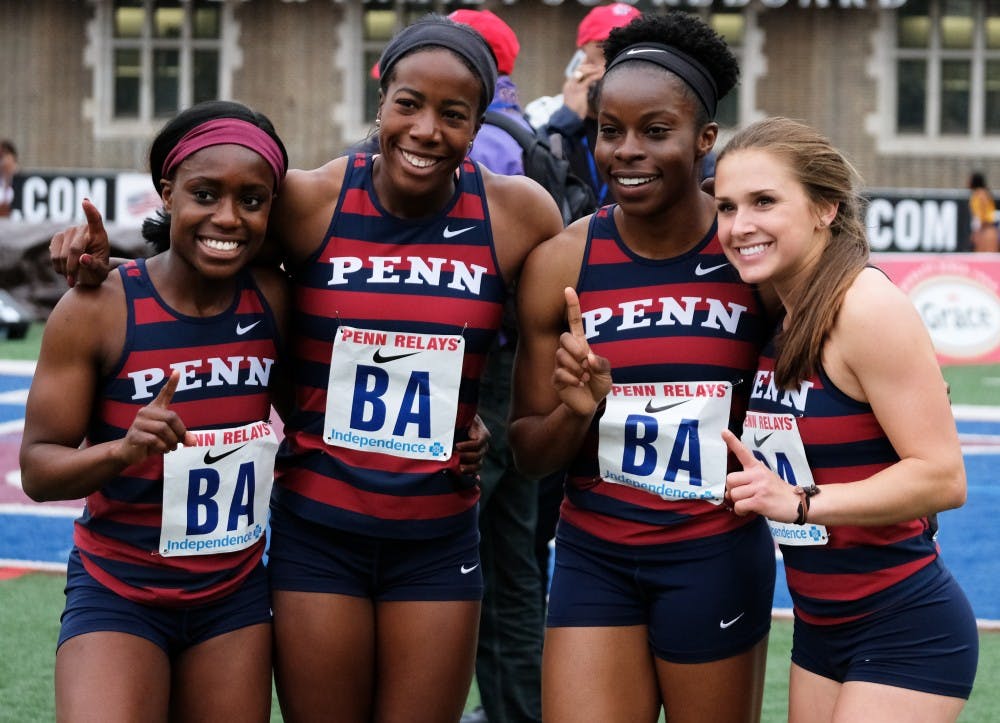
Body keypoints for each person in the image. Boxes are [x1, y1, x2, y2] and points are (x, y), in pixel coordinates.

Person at [510, 12, 776, 723]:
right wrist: (576, 406)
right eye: (610, 130)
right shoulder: (564, 263)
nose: (627, 151)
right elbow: (530, 455)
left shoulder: (753, 258)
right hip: (596, 555)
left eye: (656, 131)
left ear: (705, 139)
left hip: (715, 555)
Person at [21, 100, 291, 722]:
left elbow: (329, 401)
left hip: (234, 598)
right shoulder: (97, 309)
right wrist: (121, 451)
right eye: (204, 194)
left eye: (252, 200)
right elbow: (36, 469)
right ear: (166, 193)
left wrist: (465, 421)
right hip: (120, 591)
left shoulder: (275, 299)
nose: (227, 216)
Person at [715, 116, 979, 723]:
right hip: (819, 630)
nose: (740, 225)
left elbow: (943, 478)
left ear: (825, 208)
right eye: (727, 207)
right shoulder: (775, 309)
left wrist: (803, 502)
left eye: (764, 201)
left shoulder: (864, 306)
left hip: (906, 628)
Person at [445, 9, 546, 723]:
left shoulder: (479, 141)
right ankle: (519, 709)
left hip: (474, 367)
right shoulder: (527, 132)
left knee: (444, 544)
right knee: (513, 561)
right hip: (516, 367)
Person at [542, 3, 641, 207]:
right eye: (607, 51)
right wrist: (567, 118)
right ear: (580, 58)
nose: (617, 66)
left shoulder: (661, 121)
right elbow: (539, 172)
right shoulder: (545, 113)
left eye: (628, 54)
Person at [968, 171, 998, 253]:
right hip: (982, 229)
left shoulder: (981, 194)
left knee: (986, 256)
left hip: (986, 230)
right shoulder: (977, 194)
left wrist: (978, 231)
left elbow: (983, 214)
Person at [0, 138, 18, 217]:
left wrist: (5, 192)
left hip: (6, 189)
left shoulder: (7, 159)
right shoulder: (10, 158)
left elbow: (8, 177)